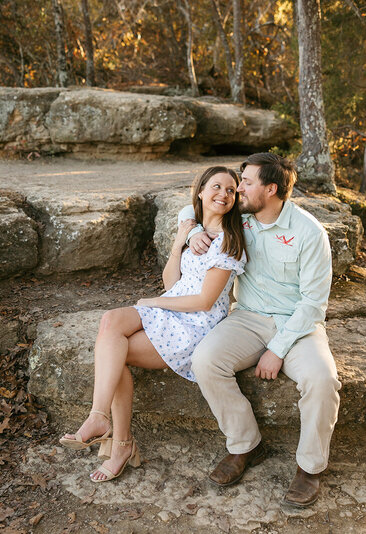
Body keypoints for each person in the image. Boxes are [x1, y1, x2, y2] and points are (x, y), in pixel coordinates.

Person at [59, 166, 247, 482]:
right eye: (216, 186)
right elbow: (172, 282)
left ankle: (118, 443)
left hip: (193, 325)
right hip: (172, 310)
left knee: (115, 352)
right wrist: (180, 241)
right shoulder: (195, 232)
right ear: (201, 191)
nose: (224, 194)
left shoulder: (229, 243)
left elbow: (204, 301)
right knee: (110, 322)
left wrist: (155, 302)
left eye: (231, 190)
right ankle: (101, 420)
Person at [180, 152, 340, 508]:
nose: (238, 189)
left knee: (322, 380)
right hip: (247, 317)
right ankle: (246, 445)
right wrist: (192, 232)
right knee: (205, 360)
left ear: (271, 190)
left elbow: (313, 304)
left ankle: (310, 468)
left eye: (247, 183)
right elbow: (190, 208)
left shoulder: (309, 232)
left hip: (297, 325)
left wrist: (277, 349)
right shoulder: (239, 216)